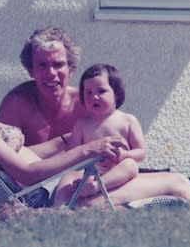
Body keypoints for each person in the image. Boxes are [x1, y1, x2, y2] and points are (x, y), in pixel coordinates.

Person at [0, 41, 190, 210]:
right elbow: (24, 171)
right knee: (178, 183)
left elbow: (23, 155)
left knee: (172, 180)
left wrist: (68, 140)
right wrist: (89, 148)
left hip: (56, 188)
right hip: (58, 197)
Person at [54, 64, 146, 207]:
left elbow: (141, 153)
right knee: (67, 177)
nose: (94, 97)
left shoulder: (128, 120)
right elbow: (70, 154)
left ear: (117, 93)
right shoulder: (82, 123)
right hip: (88, 172)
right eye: (88, 92)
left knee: (131, 165)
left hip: (116, 171)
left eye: (101, 91)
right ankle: (57, 208)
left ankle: (96, 187)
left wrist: (123, 155)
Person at [0, 27, 86, 154]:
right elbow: (2, 159)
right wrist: (64, 141)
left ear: (70, 68)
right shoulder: (16, 104)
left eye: (58, 64)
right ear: (31, 70)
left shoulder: (85, 103)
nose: (51, 73)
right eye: (42, 65)